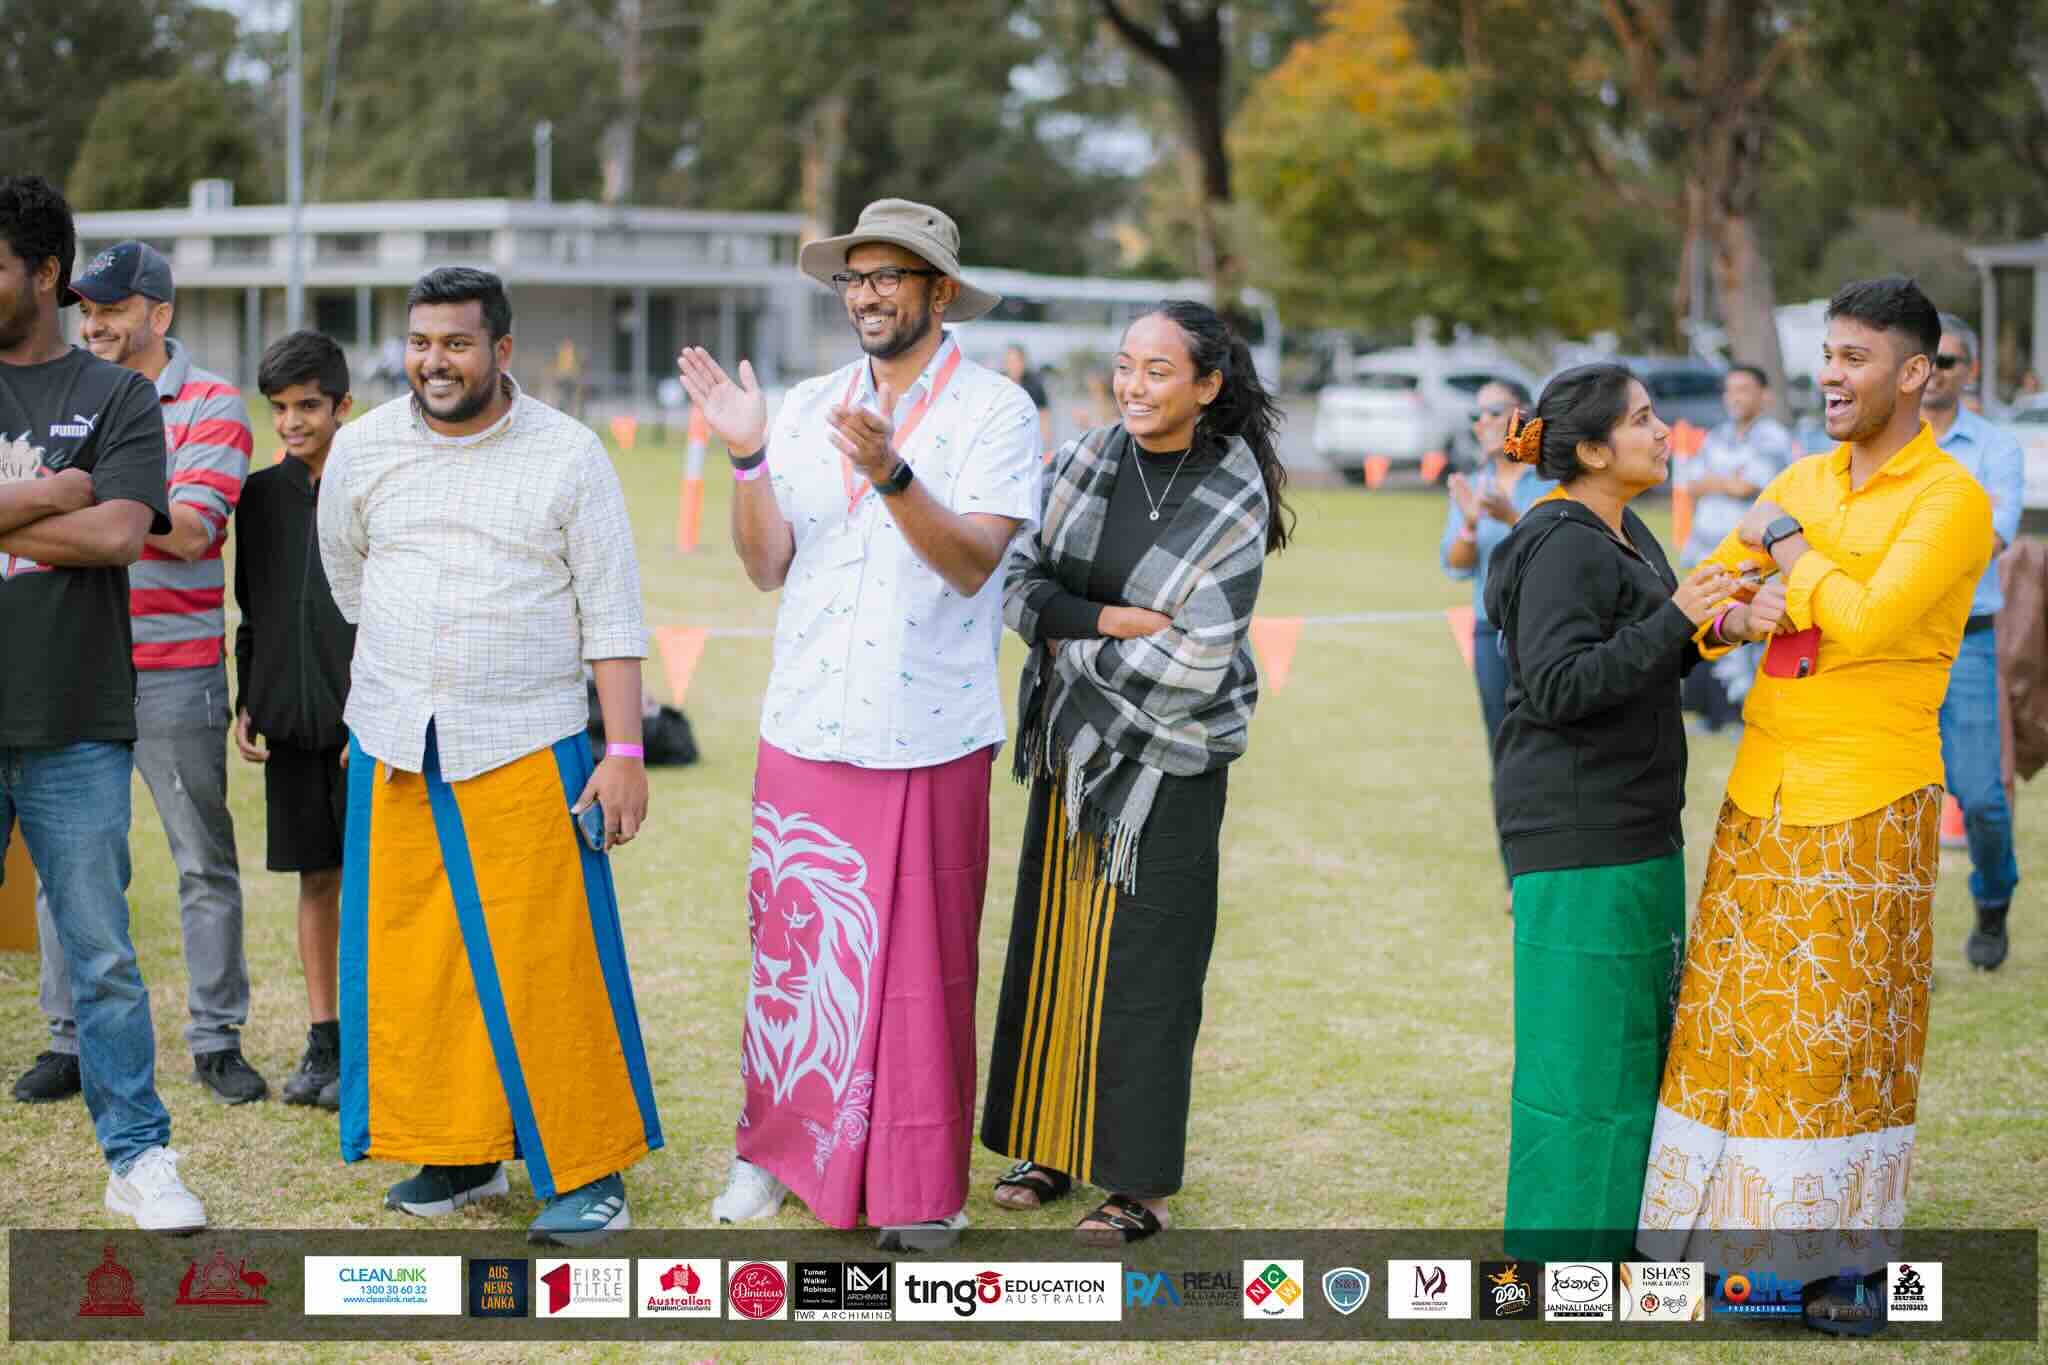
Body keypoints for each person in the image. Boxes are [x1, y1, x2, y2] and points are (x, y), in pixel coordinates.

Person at [676, 199, 1038, 1253]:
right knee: (795, 964)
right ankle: (772, 1155)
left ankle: (921, 1190)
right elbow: (764, 566)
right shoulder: (802, 403)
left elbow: (974, 563)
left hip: (925, 729)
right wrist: (747, 459)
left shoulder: (995, 413)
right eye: (854, 278)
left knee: (921, 973)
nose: (868, 295)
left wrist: (890, 472)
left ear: (937, 291)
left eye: (890, 276)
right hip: (805, 721)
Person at [1637, 278, 1995, 1333]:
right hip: (1760, 786)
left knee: (1835, 1035)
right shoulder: (1802, 475)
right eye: (1826, 356)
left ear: (1913, 374)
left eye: (1854, 358)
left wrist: (1786, 554)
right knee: (1731, 1021)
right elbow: (1706, 604)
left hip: (1864, 796)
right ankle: (1713, 1247)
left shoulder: (1947, 499)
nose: (1831, 376)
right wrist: (1745, 607)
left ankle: (1832, 1267)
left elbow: (1874, 621)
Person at [318, 267, 662, 1244]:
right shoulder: (362, 449)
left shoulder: (569, 455)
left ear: (501, 351)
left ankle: (590, 1172)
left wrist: (625, 749)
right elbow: (350, 579)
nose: (434, 362)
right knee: (420, 966)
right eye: (421, 342)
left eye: (456, 344)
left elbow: (613, 611)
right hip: (393, 742)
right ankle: (458, 1152)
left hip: (525, 740)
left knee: (547, 963)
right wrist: (379, 700)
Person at [980, 301, 1292, 1245]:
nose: (1134, 386)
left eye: (1159, 371)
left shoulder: (1234, 495)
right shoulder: (1079, 461)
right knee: (1058, 946)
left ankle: (1139, 1185)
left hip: (1173, 763)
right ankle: (1048, 1139)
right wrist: (1112, 622)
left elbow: (1199, 657)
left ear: (1207, 385)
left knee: (1148, 972)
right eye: (1125, 366)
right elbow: (1018, 585)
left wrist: (1072, 630)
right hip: (1072, 757)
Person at [1485, 363, 1732, 1262]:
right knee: (1579, 1061)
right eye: (1641, 419)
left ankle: (1624, 1244)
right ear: (1591, 449)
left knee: (1636, 1049)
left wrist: (1713, 626)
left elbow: (1644, 654)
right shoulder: (1560, 542)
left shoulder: (1627, 534)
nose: (1664, 431)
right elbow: (1556, 683)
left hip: (1637, 827)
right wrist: (1675, 622)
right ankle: (1555, 1265)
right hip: (1577, 832)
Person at [0, 174, 208, 1228]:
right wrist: (52, 493)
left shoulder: (121, 395)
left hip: (76, 717)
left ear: (42, 273)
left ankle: (138, 1157)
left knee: (104, 956)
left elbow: (125, 534)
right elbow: (84, 514)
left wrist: (54, 511)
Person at [14, 240, 264, 1106]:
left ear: (160, 314)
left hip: (173, 670)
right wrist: (92, 495)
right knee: (65, 862)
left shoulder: (214, 404)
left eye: (114, 309)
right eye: (88, 308)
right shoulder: (69, 394)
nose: (95, 322)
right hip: (75, 665)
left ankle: (216, 1036)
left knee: (200, 859)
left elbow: (191, 529)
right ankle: (66, 1039)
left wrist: (94, 493)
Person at [235, 330, 358, 1110]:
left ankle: (382, 1039)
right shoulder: (258, 497)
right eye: (278, 407)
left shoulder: (371, 486)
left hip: (366, 729)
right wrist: (250, 693)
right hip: (289, 726)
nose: (291, 421)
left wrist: (371, 713)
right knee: (315, 880)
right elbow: (255, 606)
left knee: (379, 884)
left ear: (343, 406)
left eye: (307, 405)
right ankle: (326, 1039)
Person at [1926, 313, 2024, 969]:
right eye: (1925, 358)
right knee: (1895, 801)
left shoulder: (1994, 448)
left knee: (1983, 798)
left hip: (1967, 639)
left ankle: (1992, 901)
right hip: (1885, 639)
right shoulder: (1883, 443)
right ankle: (1900, 939)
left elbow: (1992, 537)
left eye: (1949, 361)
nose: (1934, 370)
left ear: (1972, 372)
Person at [1440, 378, 1553, 896]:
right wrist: (1468, 525)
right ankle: (1517, 878)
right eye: (1476, 414)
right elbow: (1456, 565)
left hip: (1549, 631)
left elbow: (1560, 546)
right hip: (1492, 633)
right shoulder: (1472, 483)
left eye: (1493, 411)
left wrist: (1511, 517)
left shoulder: (1548, 482)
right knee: (1505, 751)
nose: (1481, 422)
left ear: (1522, 418)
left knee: (1552, 748)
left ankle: (1556, 866)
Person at [1676, 364, 1798, 735]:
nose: (1735, 397)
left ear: (1765, 396)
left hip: (1752, 558)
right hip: (1708, 550)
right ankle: (1716, 715)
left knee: (1747, 635)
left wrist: (1718, 481)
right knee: (1712, 629)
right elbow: (1689, 483)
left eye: (1745, 389)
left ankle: (1743, 718)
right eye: (1730, 390)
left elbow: (1751, 488)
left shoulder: (1773, 437)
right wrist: (1724, 482)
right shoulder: (1718, 435)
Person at [1004, 343, 1052, 456]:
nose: (1013, 365)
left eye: (1016, 361)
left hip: (1029, 444)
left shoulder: (1035, 387)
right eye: (1009, 362)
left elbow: (1044, 419)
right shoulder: (999, 386)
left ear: (1023, 362)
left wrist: (1046, 449)